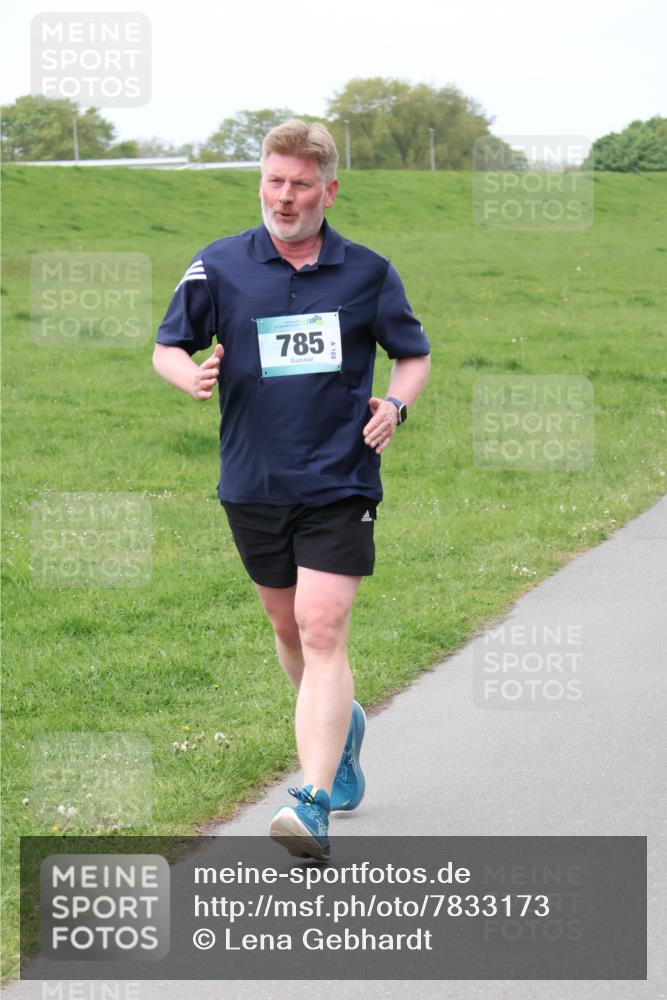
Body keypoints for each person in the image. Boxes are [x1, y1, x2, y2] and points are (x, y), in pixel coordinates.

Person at [153, 119, 431, 862]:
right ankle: (342, 733)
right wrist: (192, 377)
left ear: (328, 189)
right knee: (287, 630)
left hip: (339, 477)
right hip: (252, 479)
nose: (284, 195)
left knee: (320, 626)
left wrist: (394, 406)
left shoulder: (367, 272)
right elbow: (166, 347)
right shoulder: (218, 266)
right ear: (262, 184)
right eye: (274, 181)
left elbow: (412, 355)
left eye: (300, 183)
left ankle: (309, 802)